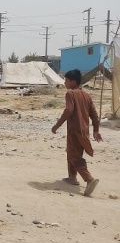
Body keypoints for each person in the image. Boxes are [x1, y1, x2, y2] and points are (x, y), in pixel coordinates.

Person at [51, 69, 103, 197]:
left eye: (66, 80)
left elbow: (68, 110)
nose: (64, 83)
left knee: (74, 156)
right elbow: (94, 116)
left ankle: (89, 179)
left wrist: (56, 126)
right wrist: (96, 130)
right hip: (84, 131)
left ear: (73, 82)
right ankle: (72, 177)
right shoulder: (87, 95)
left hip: (74, 130)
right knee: (72, 152)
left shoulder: (70, 94)